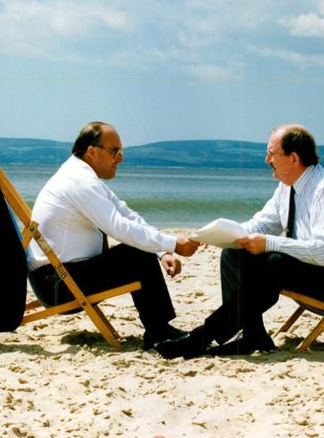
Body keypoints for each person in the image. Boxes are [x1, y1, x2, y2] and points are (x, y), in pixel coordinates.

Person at [155, 124, 324, 359]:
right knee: (233, 254)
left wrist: (269, 243)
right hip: (322, 273)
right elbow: (259, 226)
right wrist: (219, 235)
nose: (266, 160)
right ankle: (253, 335)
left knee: (276, 262)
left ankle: (200, 338)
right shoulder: (287, 188)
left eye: (271, 154)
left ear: (293, 158)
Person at [27, 121, 201, 349]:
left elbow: (126, 214)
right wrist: (173, 243)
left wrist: (162, 251)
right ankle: (159, 332)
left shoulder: (81, 175)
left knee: (139, 249)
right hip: (59, 285)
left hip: (62, 278)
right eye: (114, 151)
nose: (120, 159)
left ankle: (159, 328)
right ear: (92, 151)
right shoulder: (79, 181)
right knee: (137, 253)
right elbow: (118, 226)